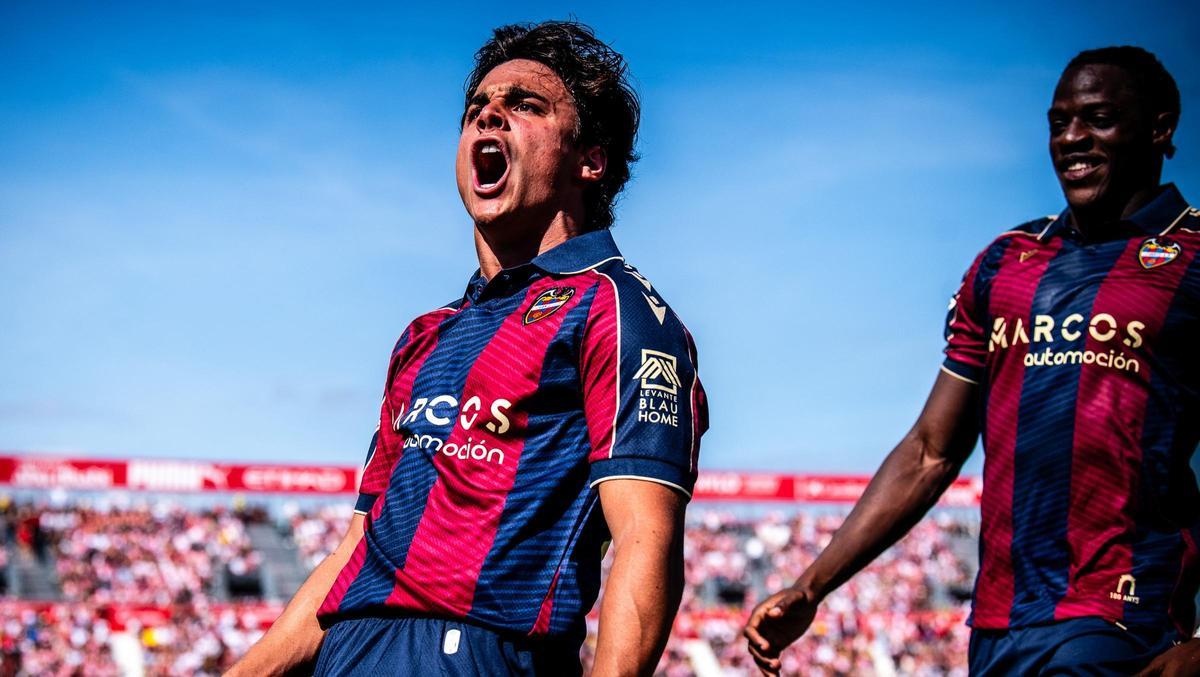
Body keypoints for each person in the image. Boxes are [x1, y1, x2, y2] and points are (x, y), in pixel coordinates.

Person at [229, 20, 707, 676]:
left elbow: (646, 540)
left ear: (590, 160)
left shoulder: (618, 309)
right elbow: (354, 554)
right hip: (346, 654)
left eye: (526, 105)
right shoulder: (424, 335)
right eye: (478, 106)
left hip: (474, 653)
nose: (490, 114)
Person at [744, 46, 1200, 676]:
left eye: (1097, 119)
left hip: (1120, 621)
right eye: (1058, 122)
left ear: (1159, 128)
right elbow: (930, 451)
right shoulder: (1005, 262)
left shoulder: (1191, 257)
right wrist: (811, 585)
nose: (1072, 138)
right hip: (996, 631)